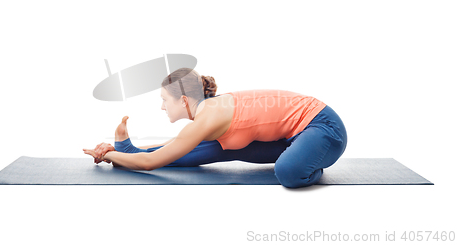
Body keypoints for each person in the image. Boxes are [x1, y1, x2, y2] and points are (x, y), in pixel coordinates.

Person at [83, 68, 347, 188]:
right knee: (218, 149)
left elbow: (152, 162)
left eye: (165, 100)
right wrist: (126, 154)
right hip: (290, 136)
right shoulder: (208, 112)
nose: (162, 107)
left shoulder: (208, 117)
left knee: (288, 173)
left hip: (323, 128)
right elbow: (175, 150)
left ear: (183, 100)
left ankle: (309, 167)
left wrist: (108, 155)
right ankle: (129, 152)